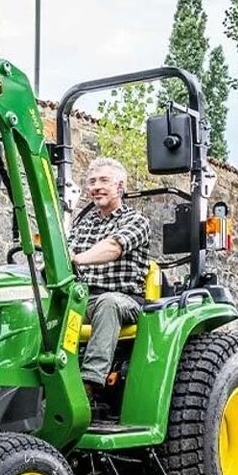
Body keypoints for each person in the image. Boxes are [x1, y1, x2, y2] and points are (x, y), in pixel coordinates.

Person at [68, 156, 152, 392]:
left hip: (124, 299)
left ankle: (89, 386)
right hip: (83, 297)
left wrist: (77, 258)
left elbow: (114, 247)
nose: (96, 187)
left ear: (120, 186)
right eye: (92, 182)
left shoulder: (136, 220)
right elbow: (65, 251)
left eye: (104, 180)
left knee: (108, 303)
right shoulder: (83, 225)